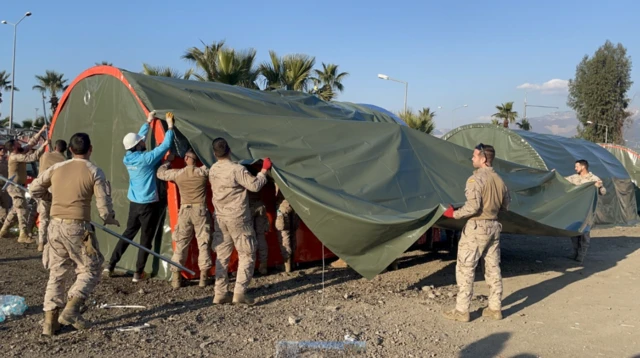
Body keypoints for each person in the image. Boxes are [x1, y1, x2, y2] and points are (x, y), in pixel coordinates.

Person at [29, 132, 120, 336]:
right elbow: (104, 208)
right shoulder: (95, 171)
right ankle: (71, 308)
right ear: (90, 149)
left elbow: (33, 189)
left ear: (70, 150)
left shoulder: (57, 167)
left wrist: (51, 198)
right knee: (92, 267)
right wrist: (110, 218)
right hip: (78, 227)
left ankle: (50, 322)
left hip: (54, 226)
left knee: (57, 271)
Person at [442, 143, 510, 322]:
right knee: (493, 267)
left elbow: (472, 206)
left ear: (483, 158)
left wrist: (454, 214)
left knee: (465, 267)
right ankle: (495, 308)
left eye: (474, 156)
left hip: (476, 228)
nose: (472, 159)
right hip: (494, 227)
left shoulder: (475, 179)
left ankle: (462, 310)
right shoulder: (499, 180)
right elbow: (506, 206)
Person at [105, 110, 175, 282]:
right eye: (141, 142)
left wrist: (147, 122)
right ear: (137, 146)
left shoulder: (127, 157)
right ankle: (138, 273)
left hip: (134, 203)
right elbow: (165, 145)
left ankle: (111, 265)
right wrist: (170, 126)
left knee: (128, 234)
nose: (144, 142)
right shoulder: (147, 159)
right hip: (148, 204)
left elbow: (137, 141)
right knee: (145, 240)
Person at [209, 137, 271, 305]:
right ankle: (239, 293)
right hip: (238, 218)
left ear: (215, 154)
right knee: (247, 253)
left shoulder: (213, 169)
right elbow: (255, 186)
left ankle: (220, 293)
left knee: (222, 255)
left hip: (220, 218)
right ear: (228, 150)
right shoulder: (237, 169)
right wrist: (263, 171)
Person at [156, 149, 212, 288]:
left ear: (186, 158)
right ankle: (204, 278)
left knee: (181, 243)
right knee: (203, 242)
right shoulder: (203, 172)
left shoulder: (178, 173)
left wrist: (169, 160)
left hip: (185, 211)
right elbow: (213, 164)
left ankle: (176, 278)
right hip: (200, 211)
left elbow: (160, 173)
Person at [0, 125, 49, 243]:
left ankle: (4, 230)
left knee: (15, 209)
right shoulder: (15, 157)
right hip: (14, 186)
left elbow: (31, 144)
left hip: (18, 186)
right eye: (17, 143)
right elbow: (33, 157)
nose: (20, 144)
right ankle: (23, 234)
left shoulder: (19, 152)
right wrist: (44, 145)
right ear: (13, 147)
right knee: (22, 209)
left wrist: (41, 131)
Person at [562, 159, 606, 263]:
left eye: (576, 166)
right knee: (573, 232)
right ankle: (575, 252)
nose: (575, 168)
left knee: (584, 233)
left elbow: (603, 192)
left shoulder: (594, 179)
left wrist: (599, 187)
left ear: (583, 167)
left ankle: (581, 255)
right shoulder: (573, 178)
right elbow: (562, 181)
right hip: (575, 209)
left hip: (587, 210)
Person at [35, 139, 68, 252]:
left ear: (55, 147)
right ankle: (54, 243)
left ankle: (41, 242)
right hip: (56, 192)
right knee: (56, 219)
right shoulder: (64, 161)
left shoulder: (45, 155)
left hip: (43, 190)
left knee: (43, 218)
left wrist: (46, 144)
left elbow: (45, 155)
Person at [275, 189, 299, 273]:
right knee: (293, 234)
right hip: (295, 204)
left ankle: (287, 266)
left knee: (284, 236)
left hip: (283, 205)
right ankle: (292, 263)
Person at [0, 146, 11, 225]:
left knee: (5, 207)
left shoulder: (7, 162)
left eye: (4, 149)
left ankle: (3, 228)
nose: (2, 151)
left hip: (4, 187)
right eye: (0, 149)